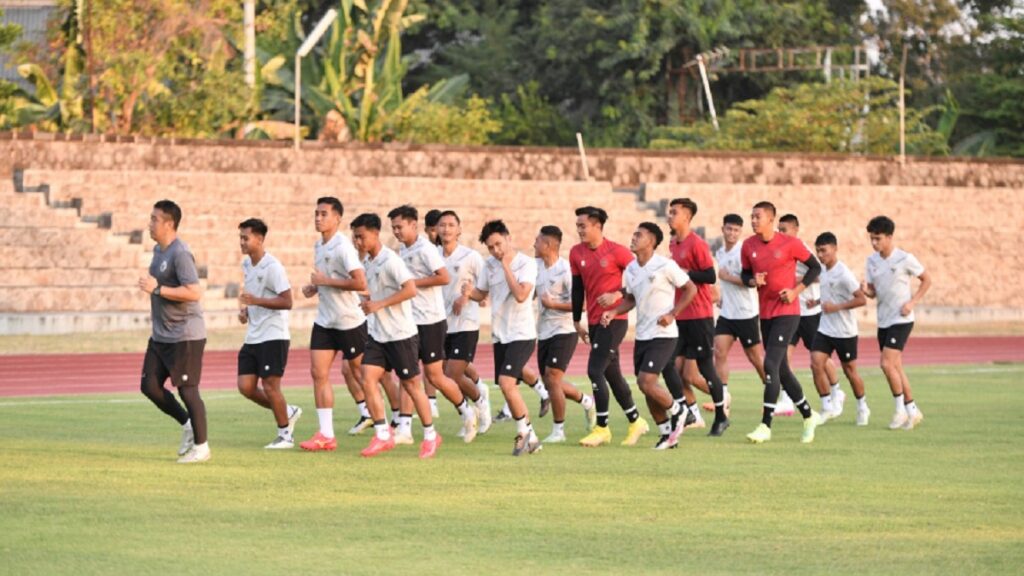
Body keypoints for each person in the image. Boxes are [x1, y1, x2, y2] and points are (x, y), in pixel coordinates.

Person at [353, 213, 442, 459]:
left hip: (401, 335)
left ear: (374, 234)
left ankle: (431, 435)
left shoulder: (391, 260)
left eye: (361, 237)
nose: (357, 242)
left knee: (412, 386)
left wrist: (379, 304)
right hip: (378, 335)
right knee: (367, 377)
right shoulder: (368, 263)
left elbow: (411, 289)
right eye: (355, 238)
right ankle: (382, 434)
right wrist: (368, 302)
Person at [601, 223, 696, 450]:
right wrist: (614, 312)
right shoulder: (631, 269)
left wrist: (672, 314)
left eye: (638, 235)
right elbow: (631, 299)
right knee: (645, 387)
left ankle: (680, 411)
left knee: (646, 381)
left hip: (663, 334)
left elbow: (691, 289)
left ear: (651, 241)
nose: (633, 238)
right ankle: (665, 434)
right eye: (633, 234)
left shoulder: (665, 265)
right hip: (642, 335)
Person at [390, 205, 479, 444]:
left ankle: (467, 412)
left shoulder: (426, 249)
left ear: (412, 225)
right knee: (407, 373)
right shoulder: (402, 250)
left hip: (431, 321)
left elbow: (443, 277)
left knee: (436, 376)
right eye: (393, 228)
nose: (396, 232)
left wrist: (412, 282)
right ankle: (405, 428)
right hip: (410, 320)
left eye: (400, 227)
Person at [741, 201, 823, 444]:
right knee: (783, 370)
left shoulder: (790, 243)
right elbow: (745, 275)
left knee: (770, 363)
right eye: (752, 216)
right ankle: (809, 415)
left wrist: (796, 291)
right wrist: (752, 281)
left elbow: (815, 268)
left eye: (758, 216)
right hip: (765, 314)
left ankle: (765, 425)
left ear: (771, 219)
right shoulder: (748, 246)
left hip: (788, 313)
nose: (753, 220)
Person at [137, 199, 210, 464]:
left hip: (185, 335)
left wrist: (158, 289)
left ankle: (202, 447)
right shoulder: (158, 251)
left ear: (169, 224)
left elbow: (194, 292)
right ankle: (188, 424)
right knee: (149, 386)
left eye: (154, 219)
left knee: (187, 390)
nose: (150, 223)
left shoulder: (180, 253)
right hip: (161, 336)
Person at [570, 206, 649, 447]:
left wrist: (617, 293)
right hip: (593, 322)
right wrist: (576, 320)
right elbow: (577, 289)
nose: (579, 230)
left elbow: (640, 277)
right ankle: (636, 421)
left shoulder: (618, 252)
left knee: (595, 370)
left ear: (597, 226)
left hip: (614, 321)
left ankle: (602, 427)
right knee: (612, 375)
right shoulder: (576, 253)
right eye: (578, 226)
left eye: (583, 226)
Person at [464, 220, 543, 456]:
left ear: (509, 238)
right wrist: (470, 294)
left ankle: (523, 432)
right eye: (491, 247)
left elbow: (521, 295)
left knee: (507, 383)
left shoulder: (527, 264)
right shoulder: (489, 265)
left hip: (522, 334)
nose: (496, 251)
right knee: (507, 386)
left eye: (498, 244)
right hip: (500, 335)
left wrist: (506, 266)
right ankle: (533, 438)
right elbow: (483, 294)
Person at [299, 197, 370, 451]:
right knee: (318, 374)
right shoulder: (319, 245)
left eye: (324, 214)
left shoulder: (343, 247)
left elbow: (360, 283)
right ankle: (326, 435)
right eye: (316, 213)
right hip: (325, 321)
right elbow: (327, 280)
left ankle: (392, 424)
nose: (318, 218)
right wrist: (314, 287)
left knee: (367, 376)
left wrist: (325, 281)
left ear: (337, 218)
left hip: (350, 321)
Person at [665, 198, 730, 436]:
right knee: (668, 364)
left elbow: (710, 276)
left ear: (687, 218)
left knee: (704, 367)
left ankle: (722, 415)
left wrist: (685, 273)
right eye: (669, 212)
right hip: (680, 315)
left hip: (699, 315)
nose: (670, 215)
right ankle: (686, 410)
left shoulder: (697, 244)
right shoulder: (673, 244)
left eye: (674, 212)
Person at [235, 218, 302, 448]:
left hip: (274, 335)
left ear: (260, 239)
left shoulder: (273, 267)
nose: (242, 242)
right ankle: (288, 411)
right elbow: (254, 300)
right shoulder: (247, 265)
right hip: (254, 335)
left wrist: (257, 301)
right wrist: (246, 311)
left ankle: (285, 436)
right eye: (240, 237)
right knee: (246, 386)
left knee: (272, 386)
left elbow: (287, 301)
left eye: (246, 238)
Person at [862, 215, 932, 430]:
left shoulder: (904, 258)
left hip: (901, 319)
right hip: (883, 320)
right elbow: (873, 292)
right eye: (871, 239)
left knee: (886, 363)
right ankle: (913, 410)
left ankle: (900, 410)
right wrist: (867, 291)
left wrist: (912, 302)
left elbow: (927, 280)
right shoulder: (871, 261)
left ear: (889, 237)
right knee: (896, 367)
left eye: (878, 239)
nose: (874, 243)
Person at [534, 225, 596, 443]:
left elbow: (582, 304)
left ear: (548, 245)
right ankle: (587, 402)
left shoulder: (566, 270)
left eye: (538, 241)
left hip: (564, 329)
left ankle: (558, 431)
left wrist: (554, 304)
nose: (534, 244)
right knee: (551, 382)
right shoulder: (535, 267)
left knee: (552, 378)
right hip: (543, 331)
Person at [436, 210, 492, 437]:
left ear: (459, 230)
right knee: (441, 375)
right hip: (440, 324)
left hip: (466, 324)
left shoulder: (471, 257)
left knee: (452, 374)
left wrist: (467, 296)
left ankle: (479, 405)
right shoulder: (433, 256)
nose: (446, 229)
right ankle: (469, 413)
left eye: (451, 225)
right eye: (442, 225)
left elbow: (484, 293)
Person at [778, 213, 839, 417]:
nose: (781, 234)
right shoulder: (780, 250)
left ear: (796, 230)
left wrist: (796, 284)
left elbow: (819, 273)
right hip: (790, 312)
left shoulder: (802, 250)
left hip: (810, 314)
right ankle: (786, 399)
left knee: (820, 359)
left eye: (784, 230)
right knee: (783, 356)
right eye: (779, 230)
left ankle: (837, 390)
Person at [810, 232, 870, 425]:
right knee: (816, 362)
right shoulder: (823, 270)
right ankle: (827, 406)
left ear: (834, 249)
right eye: (818, 251)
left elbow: (861, 299)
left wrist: (835, 308)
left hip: (845, 332)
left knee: (850, 371)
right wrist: (816, 302)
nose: (820, 255)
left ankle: (862, 406)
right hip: (826, 329)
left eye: (824, 251)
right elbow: (831, 294)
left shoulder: (843, 273)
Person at [712, 213, 768, 411]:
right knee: (719, 352)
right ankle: (724, 397)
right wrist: (720, 297)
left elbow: (753, 281)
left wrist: (727, 277)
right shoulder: (719, 253)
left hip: (746, 313)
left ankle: (772, 390)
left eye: (736, 230)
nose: (732, 233)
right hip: (727, 313)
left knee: (755, 358)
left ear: (740, 232)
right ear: (723, 229)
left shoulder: (743, 252)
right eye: (729, 229)